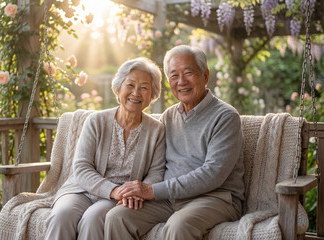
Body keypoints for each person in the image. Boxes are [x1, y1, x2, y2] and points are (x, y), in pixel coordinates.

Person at [105, 45, 245, 240]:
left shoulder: (226, 117)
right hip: (170, 199)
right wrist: (138, 191)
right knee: (117, 217)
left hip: (215, 198)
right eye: (174, 75)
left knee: (178, 226)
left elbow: (213, 174)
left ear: (205, 75)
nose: (181, 82)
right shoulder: (168, 116)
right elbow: (156, 165)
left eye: (188, 73)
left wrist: (151, 191)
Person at [44, 57, 166, 240]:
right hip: (81, 190)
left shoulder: (157, 130)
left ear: (152, 95)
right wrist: (112, 190)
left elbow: (156, 173)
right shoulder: (96, 121)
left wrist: (136, 192)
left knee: (93, 219)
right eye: (130, 85)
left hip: (120, 198)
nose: (136, 93)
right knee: (62, 215)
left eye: (144, 87)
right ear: (118, 88)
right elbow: (82, 168)